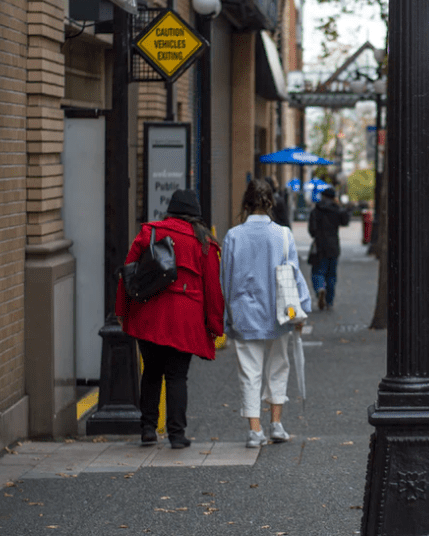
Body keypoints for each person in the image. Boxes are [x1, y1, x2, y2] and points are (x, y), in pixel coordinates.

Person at [115, 189, 224, 449]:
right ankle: (177, 434)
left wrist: (122, 311)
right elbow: (212, 289)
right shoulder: (204, 242)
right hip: (185, 317)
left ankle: (148, 429)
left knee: (151, 371)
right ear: (195, 214)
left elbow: (128, 274)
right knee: (177, 376)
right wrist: (215, 325)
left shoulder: (149, 232)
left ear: (171, 210)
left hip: (149, 313)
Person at [222, 179, 312, 448]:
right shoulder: (283, 235)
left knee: (249, 372)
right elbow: (294, 275)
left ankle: (254, 430)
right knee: (278, 367)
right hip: (279, 313)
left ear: (246, 204)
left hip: (244, 314)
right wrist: (302, 310)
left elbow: (225, 280)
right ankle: (276, 424)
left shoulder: (233, 236)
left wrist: (228, 314)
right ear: (271, 203)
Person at [308, 186, 350, 310]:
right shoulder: (337, 210)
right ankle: (329, 301)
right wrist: (340, 206)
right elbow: (345, 221)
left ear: (323, 196)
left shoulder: (316, 210)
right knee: (331, 275)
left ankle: (320, 288)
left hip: (319, 245)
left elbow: (312, 230)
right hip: (333, 245)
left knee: (317, 271)